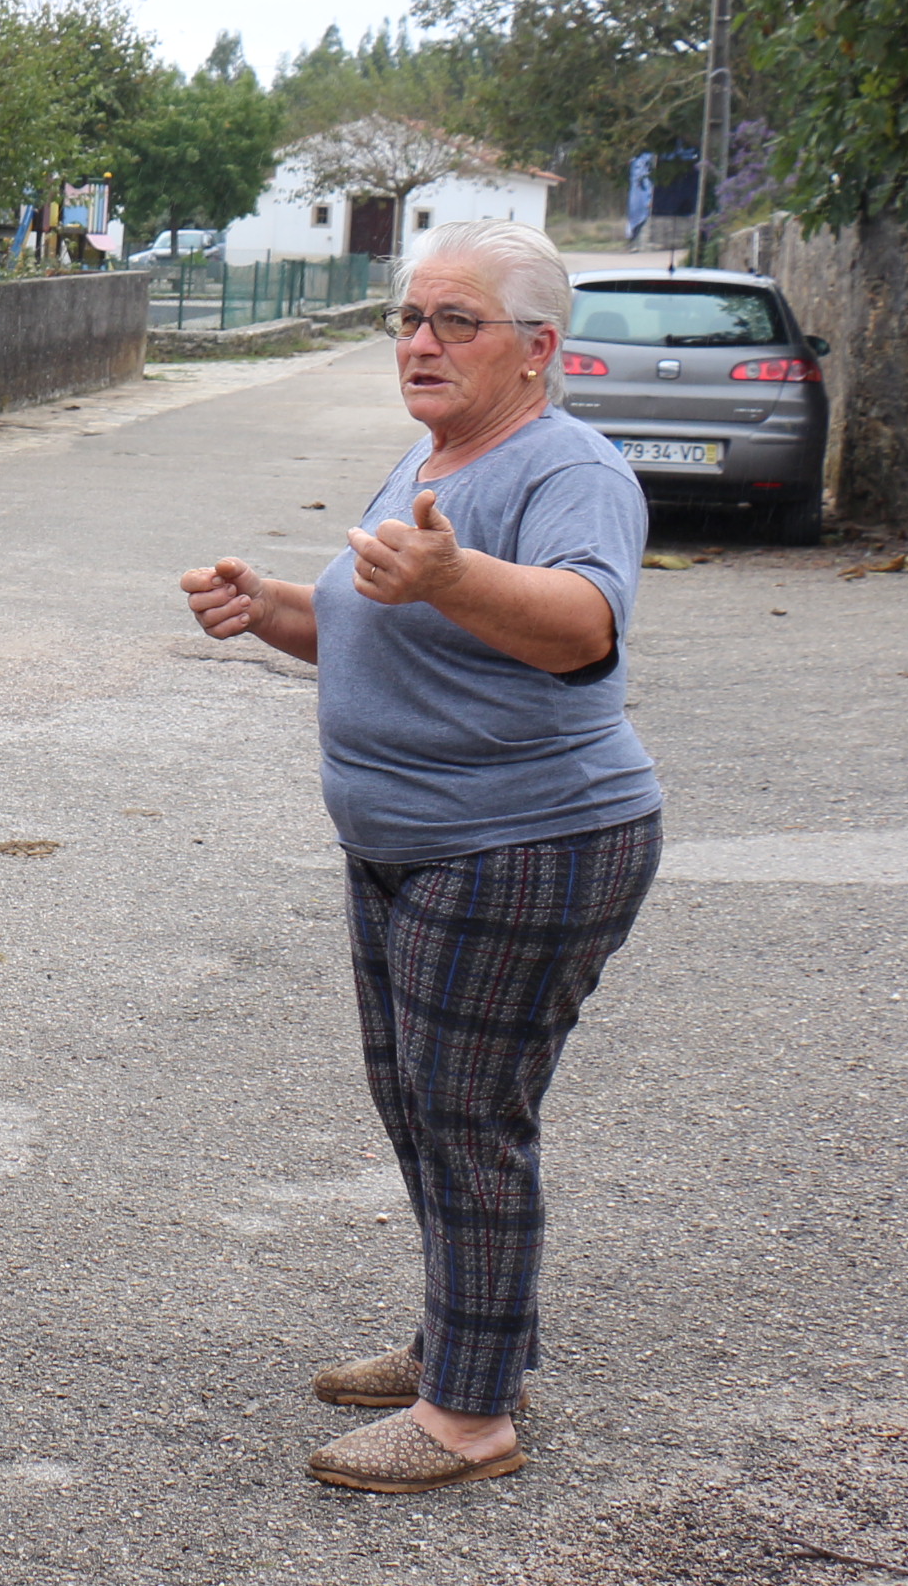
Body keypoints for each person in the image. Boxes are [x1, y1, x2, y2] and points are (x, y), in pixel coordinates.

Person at [177, 218, 662, 1496]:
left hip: (525, 840)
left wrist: (451, 576)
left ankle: (470, 1416)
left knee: (467, 1115)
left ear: (538, 348)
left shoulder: (570, 468)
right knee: (420, 1104)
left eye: (456, 321)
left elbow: (583, 627)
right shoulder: (436, 455)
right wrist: (270, 606)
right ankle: (466, 1339)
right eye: (408, 319)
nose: (420, 343)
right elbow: (376, 627)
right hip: (410, 841)